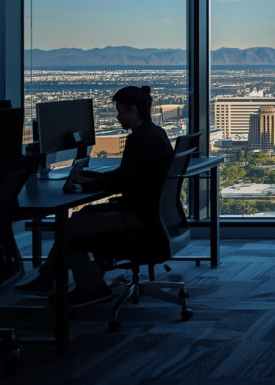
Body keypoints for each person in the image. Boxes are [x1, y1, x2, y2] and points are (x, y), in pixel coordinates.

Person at [14, 86, 173, 306]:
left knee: (67, 230)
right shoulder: (156, 132)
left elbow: (125, 181)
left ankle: (93, 288)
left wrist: (94, 183)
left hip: (137, 215)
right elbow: (130, 174)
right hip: (149, 213)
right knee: (81, 215)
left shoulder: (139, 138)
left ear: (134, 110)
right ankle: (48, 278)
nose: (118, 118)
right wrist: (96, 180)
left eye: (120, 112)